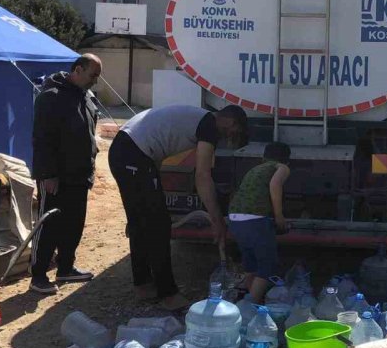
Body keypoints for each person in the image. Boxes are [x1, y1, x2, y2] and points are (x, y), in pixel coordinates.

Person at [108, 104, 248, 310]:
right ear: (230, 120)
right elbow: (202, 176)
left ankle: (143, 285)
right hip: (132, 154)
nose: (231, 135)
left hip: (126, 150)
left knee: (141, 223)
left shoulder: (201, 120)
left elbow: (156, 146)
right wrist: (217, 219)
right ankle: (168, 294)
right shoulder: (209, 125)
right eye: (235, 130)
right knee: (159, 225)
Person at [29, 54, 102, 295]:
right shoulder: (51, 97)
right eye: (92, 75)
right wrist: (48, 174)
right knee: (50, 225)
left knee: (73, 224)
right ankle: (38, 275)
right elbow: (42, 140)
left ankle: (66, 268)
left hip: (79, 175)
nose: (95, 81)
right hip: (56, 177)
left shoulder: (85, 97)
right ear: (78, 70)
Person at [226, 142, 291, 304]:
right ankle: (250, 306)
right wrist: (279, 216)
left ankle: (248, 297)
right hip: (255, 219)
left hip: (234, 218)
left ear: (263, 158)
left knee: (251, 264)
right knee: (268, 265)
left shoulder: (255, 169)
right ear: (287, 159)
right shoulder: (282, 167)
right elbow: (275, 185)